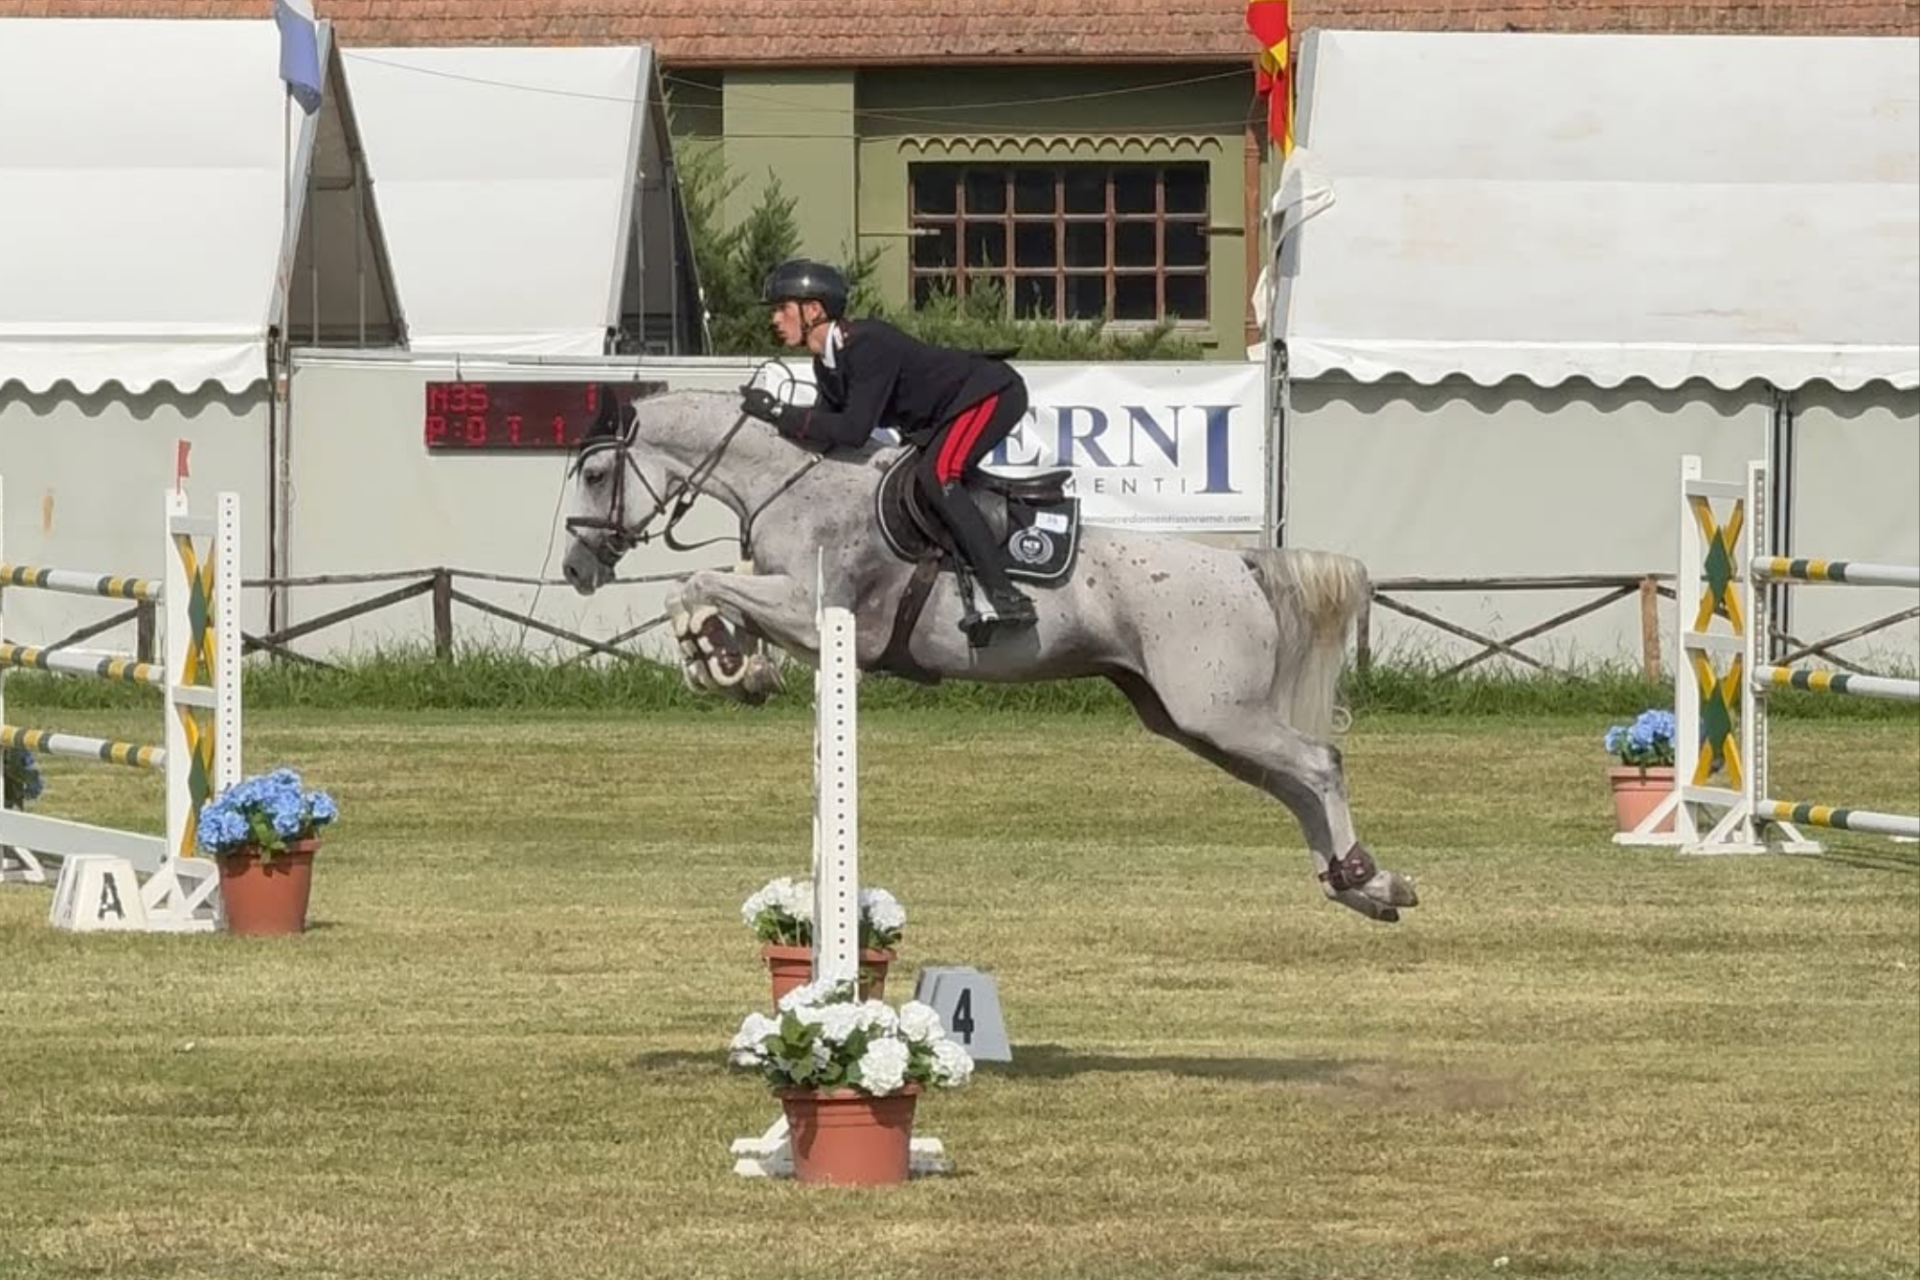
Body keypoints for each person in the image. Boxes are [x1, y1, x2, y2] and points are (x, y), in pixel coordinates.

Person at [738, 257, 1038, 637]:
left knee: (938, 476)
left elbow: (852, 429)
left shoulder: (866, 343)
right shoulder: (825, 366)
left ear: (813, 309)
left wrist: (778, 410)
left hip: (989, 393)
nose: (774, 320)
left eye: (781, 308)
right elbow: (824, 435)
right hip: (942, 416)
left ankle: (1006, 597)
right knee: (917, 484)